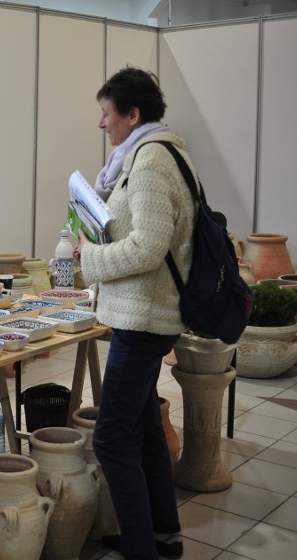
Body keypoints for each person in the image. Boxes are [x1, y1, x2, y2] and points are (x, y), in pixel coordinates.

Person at [74, 67, 196, 560]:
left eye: (107, 113)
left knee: (111, 439)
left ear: (133, 114)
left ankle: (141, 549)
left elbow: (148, 246)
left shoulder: (149, 162)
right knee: (143, 428)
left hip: (144, 320)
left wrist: (91, 257)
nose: (102, 124)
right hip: (144, 315)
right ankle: (164, 536)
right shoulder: (154, 152)